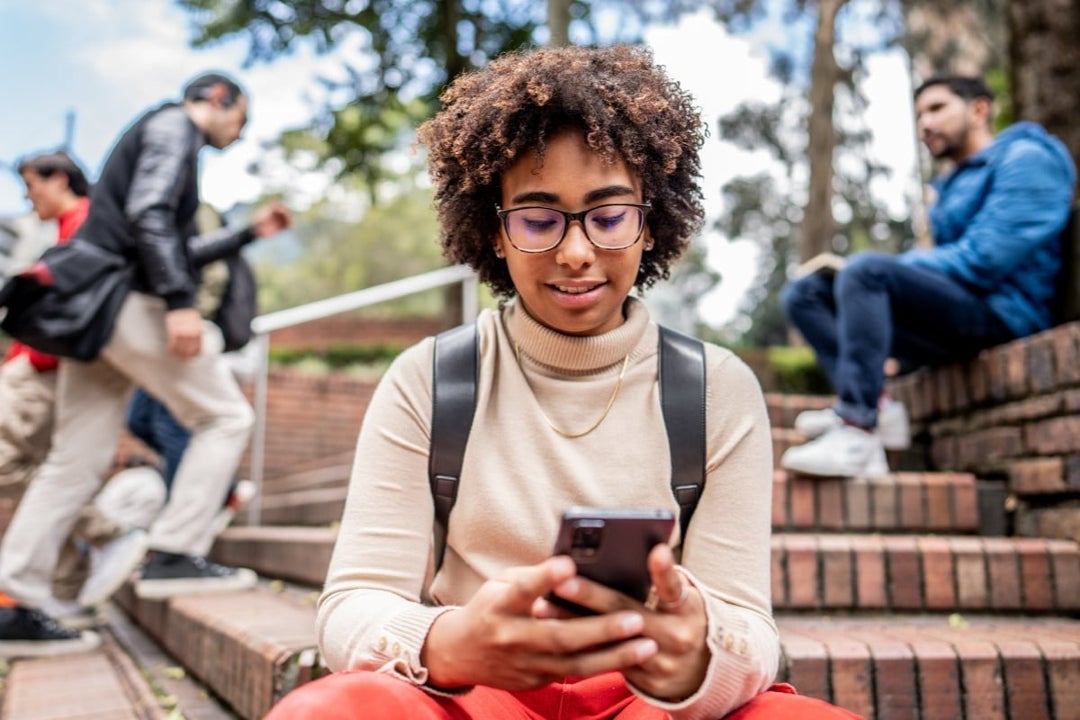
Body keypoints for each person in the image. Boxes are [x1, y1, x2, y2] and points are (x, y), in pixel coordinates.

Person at [266, 45, 860, 720]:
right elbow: (353, 601)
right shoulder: (428, 381)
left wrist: (699, 651)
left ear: (650, 222)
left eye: (608, 216)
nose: (577, 252)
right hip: (472, 695)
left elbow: (750, 627)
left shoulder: (716, 389)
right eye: (539, 220)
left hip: (651, 703)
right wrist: (451, 640)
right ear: (494, 232)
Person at [0, 72, 292, 657]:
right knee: (225, 418)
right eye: (241, 121)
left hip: (97, 315)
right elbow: (151, 215)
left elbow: (166, 240)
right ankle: (173, 551)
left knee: (72, 462)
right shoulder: (174, 126)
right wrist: (182, 306)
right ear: (219, 99)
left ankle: (14, 603)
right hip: (128, 303)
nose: (238, 135)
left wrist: (246, 235)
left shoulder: (158, 133)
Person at [779, 74, 1077, 479]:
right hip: (958, 316)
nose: (924, 124)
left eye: (937, 108)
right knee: (806, 293)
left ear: (978, 109)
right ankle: (877, 407)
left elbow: (986, 259)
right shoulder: (951, 185)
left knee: (866, 272)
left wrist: (900, 267)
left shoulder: (1027, 159)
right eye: (919, 114)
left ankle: (858, 431)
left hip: (1005, 315)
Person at [0, 151, 163, 630]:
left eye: (32, 185)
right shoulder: (66, 226)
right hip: (35, 366)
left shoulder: (88, 223)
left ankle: (106, 536)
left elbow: (78, 308)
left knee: (26, 467)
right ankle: (64, 588)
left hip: (47, 368)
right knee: (51, 474)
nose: (29, 198)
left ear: (59, 178)